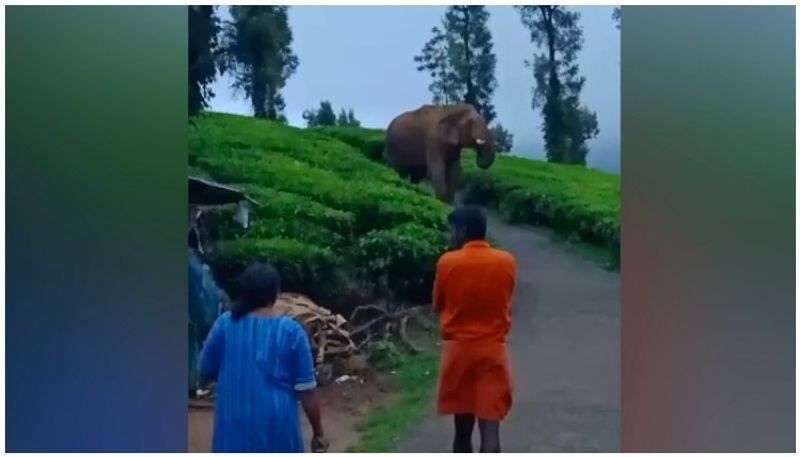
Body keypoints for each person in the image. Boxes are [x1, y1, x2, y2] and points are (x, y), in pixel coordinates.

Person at [198, 263, 328, 452]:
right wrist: (318, 433)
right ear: (275, 294)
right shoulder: (292, 331)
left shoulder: (225, 324)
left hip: (234, 428)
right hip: (278, 429)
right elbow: (306, 392)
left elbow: (204, 370)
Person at [433, 205, 516, 452]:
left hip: (459, 354)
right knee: (491, 431)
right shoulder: (506, 261)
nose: (451, 237)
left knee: (462, 429)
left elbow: (438, 303)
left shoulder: (448, 262)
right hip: (493, 352)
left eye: (453, 231)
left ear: (463, 231)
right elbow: (505, 299)